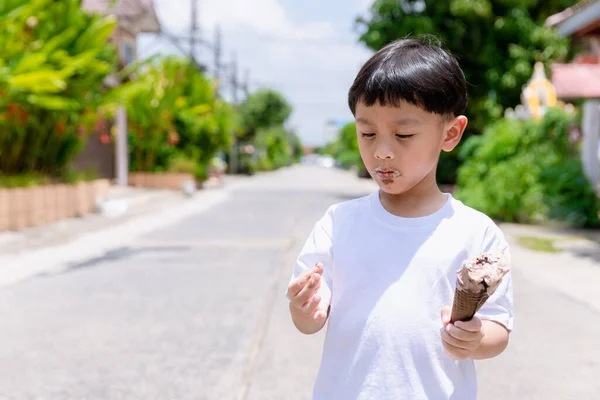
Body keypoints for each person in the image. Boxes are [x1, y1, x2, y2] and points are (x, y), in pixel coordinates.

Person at [285, 37, 514, 400]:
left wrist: (477, 338)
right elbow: (309, 318)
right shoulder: (339, 223)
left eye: (403, 134)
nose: (382, 152)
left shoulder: (475, 232)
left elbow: (499, 326)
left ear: (450, 133)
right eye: (367, 133)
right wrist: (304, 310)